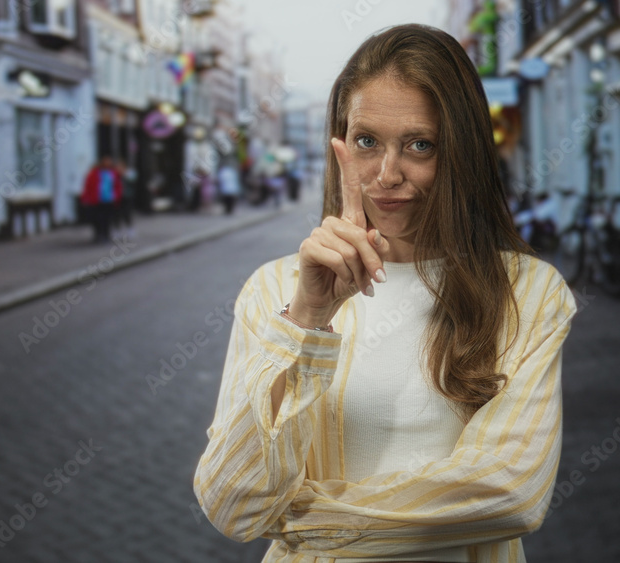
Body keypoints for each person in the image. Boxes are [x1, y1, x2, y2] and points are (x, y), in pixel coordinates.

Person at [193, 24, 576, 562]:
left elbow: (507, 492)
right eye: (367, 142)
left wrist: (295, 525)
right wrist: (307, 321)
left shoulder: (527, 292)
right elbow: (232, 503)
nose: (387, 175)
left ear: (461, 153)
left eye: (420, 145)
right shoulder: (274, 291)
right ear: (340, 144)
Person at [80, 156, 123, 243]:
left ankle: (106, 234)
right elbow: (88, 186)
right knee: (97, 218)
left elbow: (117, 185)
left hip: (109, 200)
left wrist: (117, 196)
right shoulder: (94, 173)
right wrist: (85, 198)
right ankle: (99, 234)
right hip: (97, 200)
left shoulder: (113, 173)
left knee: (107, 218)